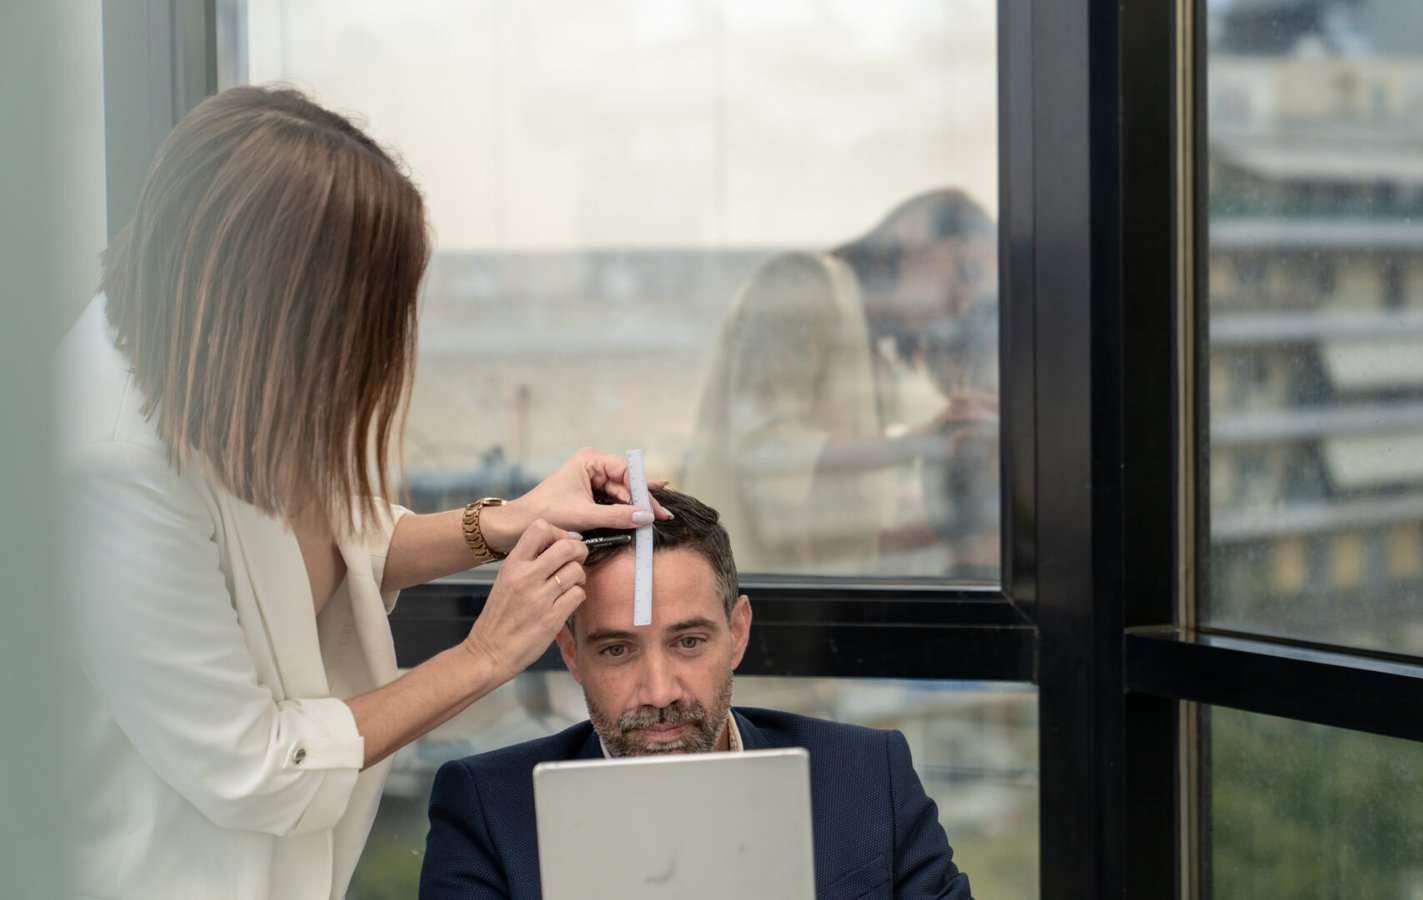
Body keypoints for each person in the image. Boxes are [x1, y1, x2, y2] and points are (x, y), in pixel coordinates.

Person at [58, 85, 666, 900]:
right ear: (277, 304)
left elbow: (318, 540)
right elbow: (258, 767)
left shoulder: (209, 358)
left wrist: (507, 522)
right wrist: (483, 657)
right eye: (359, 318)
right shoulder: (111, 465)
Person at [419, 487, 975, 899]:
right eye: (617, 649)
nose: (659, 691)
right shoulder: (488, 811)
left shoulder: (868, 776)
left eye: (688, 641)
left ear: (737, 633)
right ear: (571, 653)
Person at [680, 188, 999, 577]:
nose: (961, 304)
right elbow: (763, 453)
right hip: (743, 603)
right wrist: (922, 441)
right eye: (964, 272)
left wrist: (961, 525)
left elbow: (836, 541)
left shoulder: (875, 359)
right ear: (913, 231)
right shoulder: (801, 283)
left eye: (976, 299)